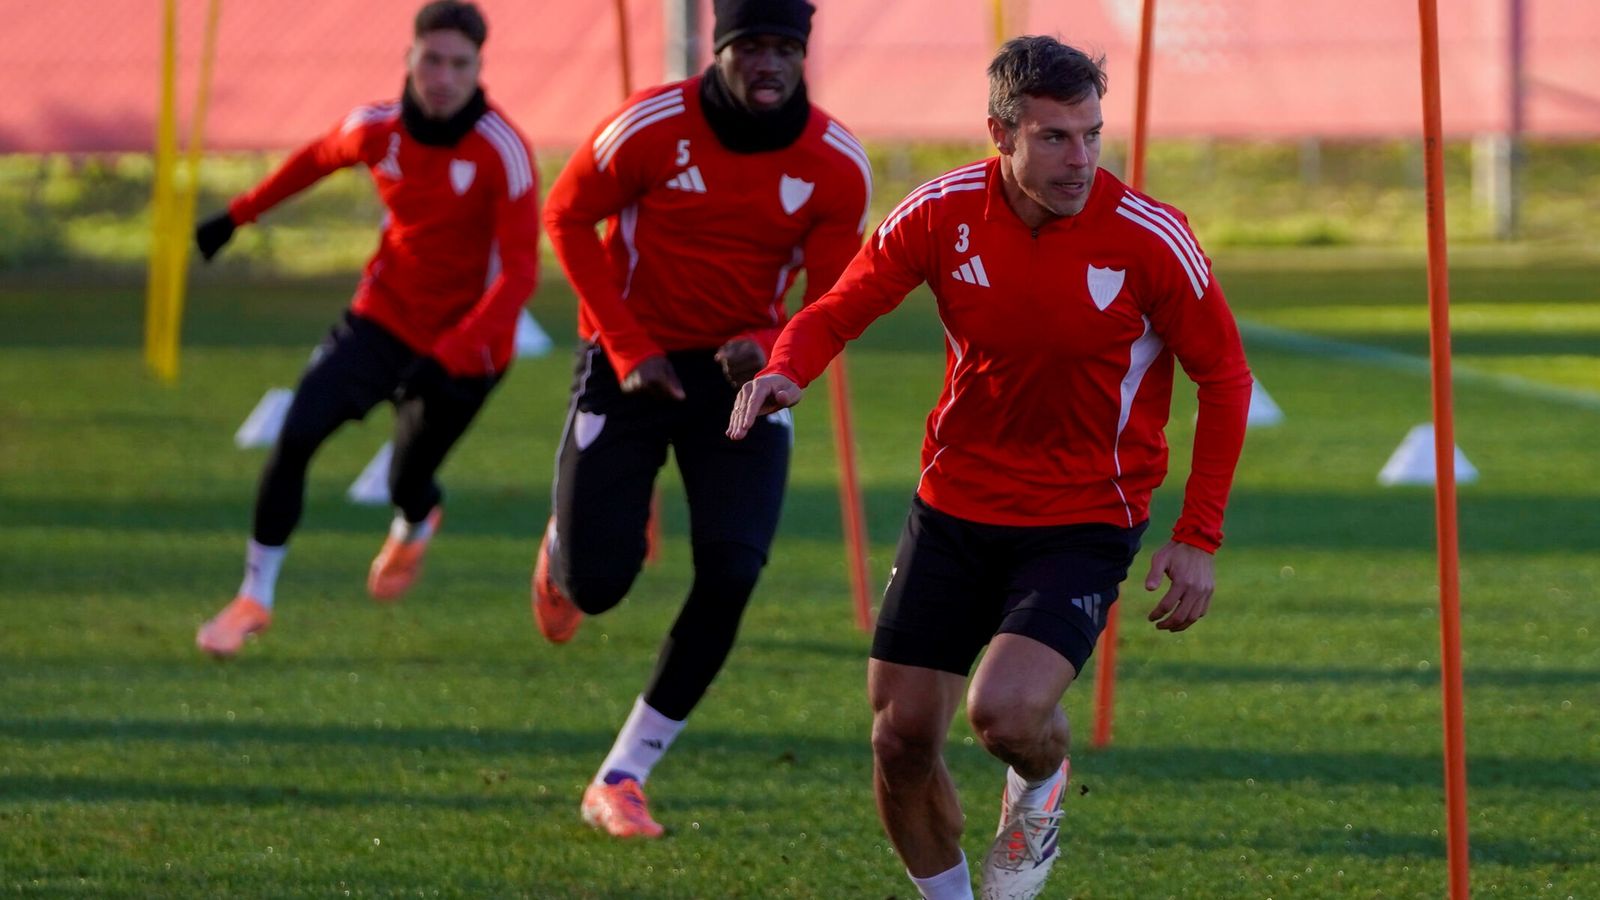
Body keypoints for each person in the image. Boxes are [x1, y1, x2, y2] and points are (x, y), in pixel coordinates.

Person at [729, 35, 1253, 900]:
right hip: (956, 505)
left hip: (1085, 514)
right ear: (999, 134)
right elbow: (838, 307)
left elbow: (1225, 380)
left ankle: (1041, 782)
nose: (1079, 158)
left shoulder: (1150, 237)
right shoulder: (940, 212)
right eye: (1053, 137)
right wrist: (788, 367)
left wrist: (1197, 536)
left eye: (1090, 133)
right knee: (899, 739)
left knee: (1003, 714)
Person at [535, 0, 871, 839]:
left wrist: (764, 344)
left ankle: (623, 774)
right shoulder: (651, 124)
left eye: (785, 48)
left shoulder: (834, 162)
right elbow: (566, 216)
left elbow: (827, 301)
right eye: (751, 46)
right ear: (719, 50)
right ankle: (564, 545)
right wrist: (625, 345)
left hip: (744, 376)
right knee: (597, 588)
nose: (770, 63)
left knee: (731, 572)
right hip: (631, 364)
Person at [192, 0, 539, 658]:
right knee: (296, 435)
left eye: (458, 64)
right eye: (431, 60)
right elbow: (316, 158)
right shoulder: (376, 129)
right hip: (382, 318)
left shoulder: (504, 151)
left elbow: (519, 276)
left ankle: (416, 521)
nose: (442, 76)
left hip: (469, 349)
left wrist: (452, 353)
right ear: (409, 59)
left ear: (478, 70)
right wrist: (237, 216)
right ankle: (252, 598)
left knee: (409, 479)